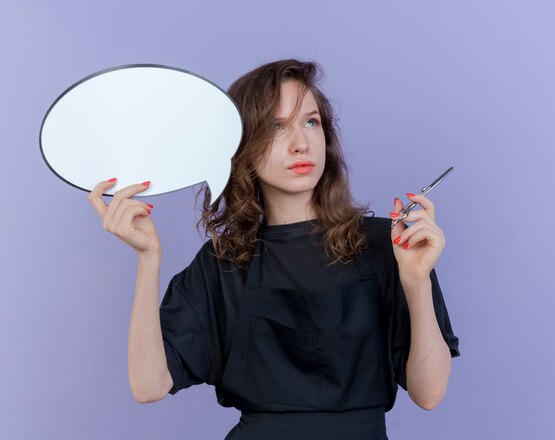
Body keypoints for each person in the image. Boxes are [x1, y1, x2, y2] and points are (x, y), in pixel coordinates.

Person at [88, 59, 460, 439]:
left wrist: (416, 283)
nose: (301, 143)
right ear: (243, 147)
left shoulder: (388, 246)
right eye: (276, 127)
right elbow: (148, 385)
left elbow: (428, 394)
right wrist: (148, 259)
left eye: (310, 122)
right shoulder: (224, 263)